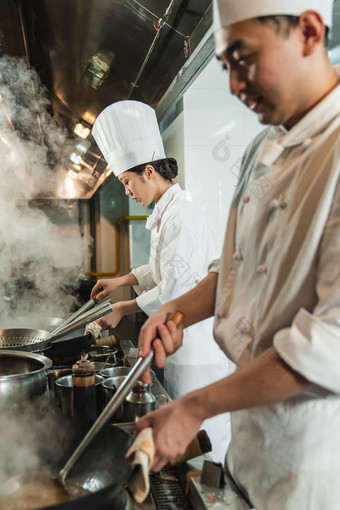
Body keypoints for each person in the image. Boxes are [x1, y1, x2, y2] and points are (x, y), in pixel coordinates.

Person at [135, 1, 340, 508]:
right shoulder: (262, 148)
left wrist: (195, 407)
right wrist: (175, 310)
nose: (233, 85)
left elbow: (330, 345)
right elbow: (232, 270)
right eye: (225, 66)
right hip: (249, 444)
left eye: (244, 59)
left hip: (314, 465)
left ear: (310, 31)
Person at [90, 99, 230, 462]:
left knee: (199, 449)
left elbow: (175, 289)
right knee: (181, 443)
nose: (127, 192)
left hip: (195, 350)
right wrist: (121, 279)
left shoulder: (180, 215)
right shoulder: (166, 212)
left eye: (126, 182)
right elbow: (162, 268)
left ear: (149, 172)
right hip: (180, 344)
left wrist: (123, 306)